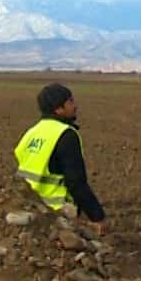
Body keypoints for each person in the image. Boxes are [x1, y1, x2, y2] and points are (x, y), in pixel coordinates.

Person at [13, 83, 107, 230]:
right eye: (70, 102)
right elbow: (76, 183)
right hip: (57, 209)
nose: (75, 106)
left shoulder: (32, 132)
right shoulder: (66, 135)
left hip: (32, 205)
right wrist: (97, 216)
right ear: (58, 109)